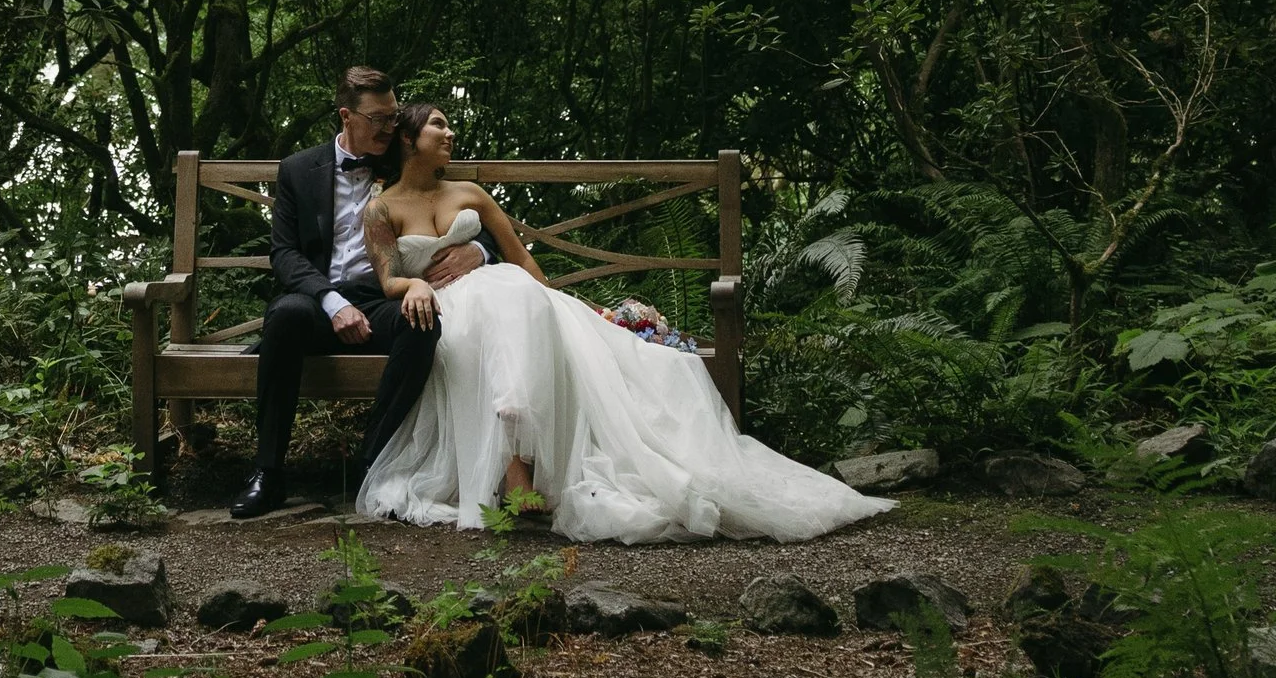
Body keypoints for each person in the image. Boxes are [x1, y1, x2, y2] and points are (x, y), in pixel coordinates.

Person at [358, 99, 898, 543]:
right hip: (444, 307)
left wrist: (558, 303)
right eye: (439, 125)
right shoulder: (381, 210)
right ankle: (516, 471)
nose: (450, 134)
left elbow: (520, 260)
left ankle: (519, 462)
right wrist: (420, 282)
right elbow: (387, 281)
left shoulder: (470, 194)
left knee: (520, 302)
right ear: (408, 139)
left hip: (508, 292)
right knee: (494, 321)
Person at [229, 64, 487, 521]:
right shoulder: (298, 169)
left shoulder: (404, 162)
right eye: (378, 119)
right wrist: (333, 303)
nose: (390, 128)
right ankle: (267, 473)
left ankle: (372, 465)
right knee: (284, 317)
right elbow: (285, 255)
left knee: (423, 322)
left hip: (383, 299)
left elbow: (461, 209)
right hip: (317, 303)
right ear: (346, 117)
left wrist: (478, 252)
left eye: (394, 117)